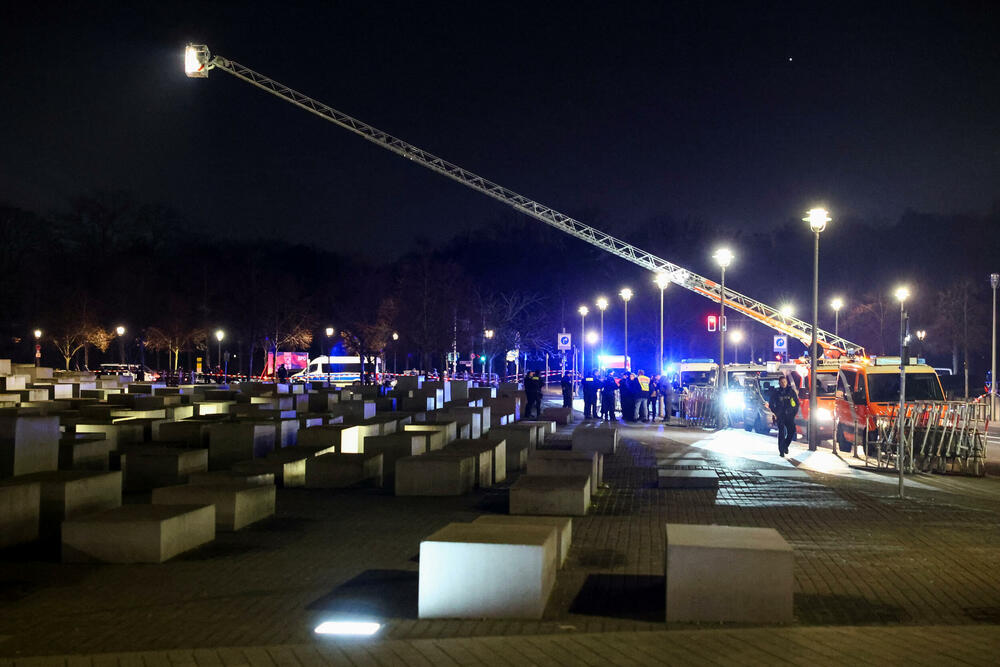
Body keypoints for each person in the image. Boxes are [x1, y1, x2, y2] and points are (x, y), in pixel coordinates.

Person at [768, 374, 799, 457]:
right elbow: (771, 404)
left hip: (790, 415)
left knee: (792, 431)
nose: (783, 383)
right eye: (782, 382)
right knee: (781, 433)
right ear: (779, 383)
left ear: (786, 382)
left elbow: (796, 403)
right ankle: (781, 451)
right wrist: (776, 412)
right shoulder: (776, 392)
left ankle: (785, 445)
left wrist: (793, 413)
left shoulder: (791, 392)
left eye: (784, 382)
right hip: (780, 415)